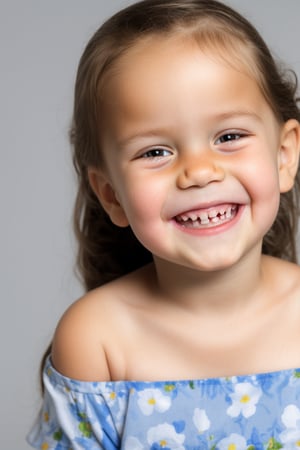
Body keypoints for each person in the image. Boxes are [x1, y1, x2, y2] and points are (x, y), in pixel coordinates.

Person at [27, 0, 300, 448]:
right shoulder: (98, 342)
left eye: (228, 137)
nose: (199, 171)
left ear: (283, 155)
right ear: (111, 194)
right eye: (155, 151)